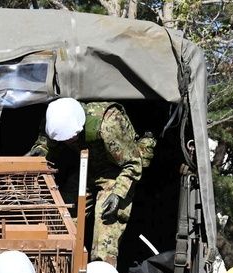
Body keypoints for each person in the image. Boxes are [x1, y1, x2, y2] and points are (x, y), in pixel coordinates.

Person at [29, 97, 155, 264]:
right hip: (85, 166)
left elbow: (133, 163)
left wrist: (118, 193)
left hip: (116, 172)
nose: (67, 142)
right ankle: (60, 270)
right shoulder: (55, 118)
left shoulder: (109, 124)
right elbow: (45, 143)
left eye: (70, 138)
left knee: (106, 228)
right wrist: (39, 153)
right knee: (62, 217)